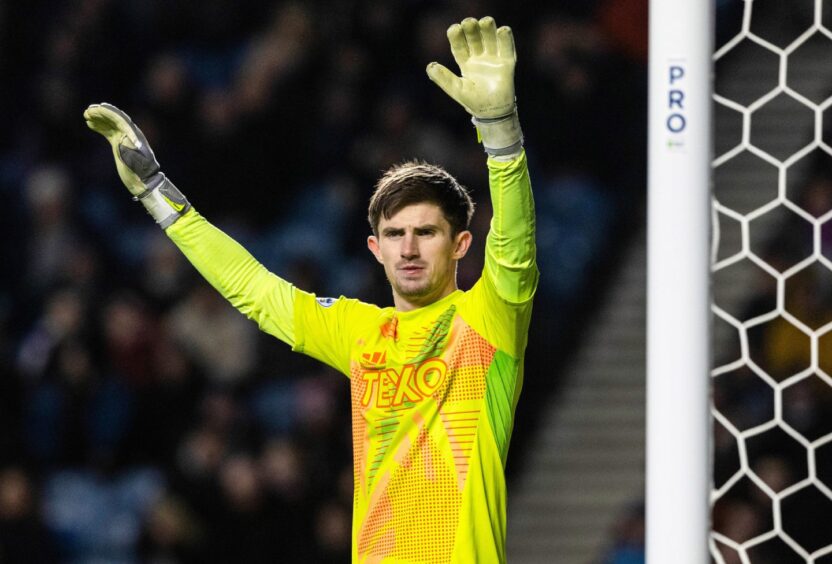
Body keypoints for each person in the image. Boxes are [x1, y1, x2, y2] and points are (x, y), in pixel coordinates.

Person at [84, 15, 537, 563]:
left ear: (462, 245)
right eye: (394, 235)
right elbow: (253, 288)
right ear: (376, 251)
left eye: (426, 233)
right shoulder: (358, 332)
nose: (409, 249)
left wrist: (501, 135)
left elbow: (514, 247)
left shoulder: (487, 321)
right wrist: (158, 195)